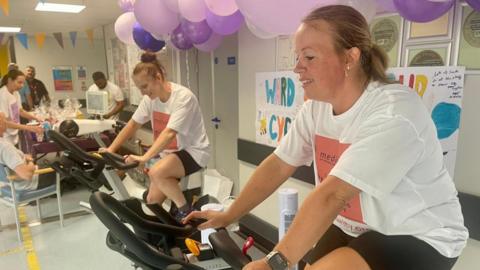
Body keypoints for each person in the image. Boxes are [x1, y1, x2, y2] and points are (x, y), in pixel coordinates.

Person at [185, 5, 468, 270]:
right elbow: (279, 164)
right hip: (355, 225)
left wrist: (274, 262)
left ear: (350, 57)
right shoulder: (316, 108)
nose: (297, 67)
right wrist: (229, 214)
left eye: (309, 57)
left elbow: (333, 194)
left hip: (418, 233)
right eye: (297, 57)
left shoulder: (394, 112)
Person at [104, 52, 210, 222]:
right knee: (152, 202)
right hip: (170, 154)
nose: (143, 92)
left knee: (156, 172)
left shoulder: (183, 97)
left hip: (194, 151)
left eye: (145, 86)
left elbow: (169, 133)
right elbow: (132, 124)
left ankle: (186, 211)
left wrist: (144, 157)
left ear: (158, 78)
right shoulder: (150, 99)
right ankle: (167, 237)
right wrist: (110, 149)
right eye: (139, 88)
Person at [0, 112, 56, 191]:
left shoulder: (3, 145)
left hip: (10, 184)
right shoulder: (5, 147)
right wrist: (30, 162)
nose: (7, 124)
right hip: (29, 183)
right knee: (63, 166)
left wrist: (22, 156)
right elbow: (27, 174)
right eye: (4, 121)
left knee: (52, 164)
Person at [0, 69, 43, 145]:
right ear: (10, 80)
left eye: (23, 83)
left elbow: (20, 111)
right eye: (19, 82)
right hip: (5, 137)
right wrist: (28, 128)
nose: (22, 86)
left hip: (14, 134)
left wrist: (37, 118)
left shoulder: (16, 93)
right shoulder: (2, 95)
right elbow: (4, 122)